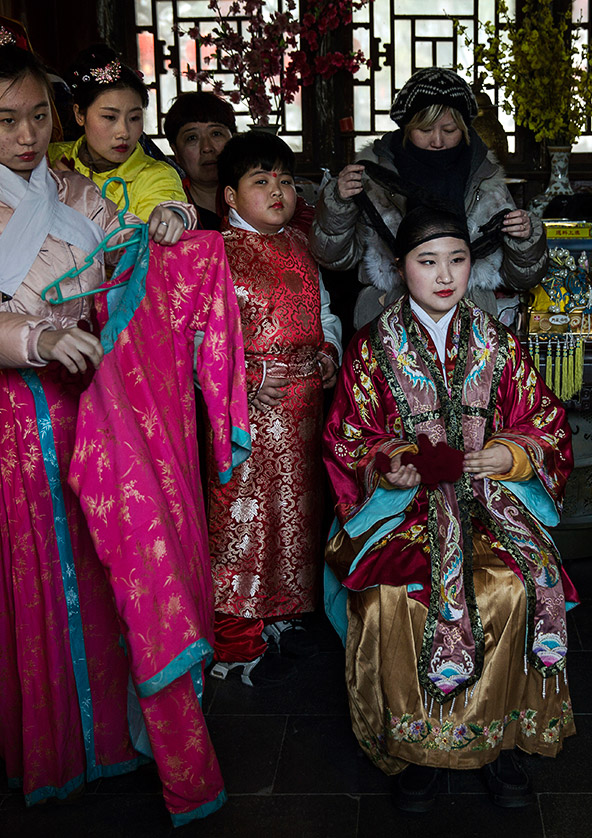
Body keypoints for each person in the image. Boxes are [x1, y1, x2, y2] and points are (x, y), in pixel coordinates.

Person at [0, 21, 220, 825]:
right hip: (28, 417)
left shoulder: (77, 190)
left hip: (108, 406)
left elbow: (127, 260)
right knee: (58, 573)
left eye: (40, 117)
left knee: (117, 566)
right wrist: (37, 336)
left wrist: (169, 231)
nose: (27, 135)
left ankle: (125, 736)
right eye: (7, 119)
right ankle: (68, 745)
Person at [322, 207, 575, 812]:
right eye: (427, 261)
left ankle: (505, 738)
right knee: (394, 595)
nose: (444, 276)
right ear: (398, 267)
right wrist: (391, 463)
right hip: (404, 510)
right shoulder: (372, 347)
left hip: (492, 504)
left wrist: (510, 455)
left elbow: (544, 421)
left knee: (513, 586)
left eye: (457, 260)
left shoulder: (498, 341)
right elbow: (347, 435)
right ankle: (415, 749)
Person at [206, 131, 342, 681]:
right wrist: (249, 376)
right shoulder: (216, 254)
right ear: (232, 198)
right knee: (245, 517)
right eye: (260, 181)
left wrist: (329, 348)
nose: (277, 191)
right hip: (251, 412)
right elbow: (202, 337)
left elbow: (324, 311)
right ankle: (236, 633)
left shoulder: (302, 245)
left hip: (306, 406)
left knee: (299, 514)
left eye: (284, 180)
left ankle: (283, 614)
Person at [310, 67, 546, 330]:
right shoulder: (373, 175)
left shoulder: (484, 177)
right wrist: (338, 203)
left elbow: (522, 278)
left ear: (466, 129)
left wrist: (524, 240)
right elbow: (331, 256)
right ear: (407, 127)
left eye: (449, 129)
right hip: (387, 316)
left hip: (471, 324)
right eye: (425, 129)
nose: (437, 141)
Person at [49, 44, 187, 221]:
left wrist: (80, 194)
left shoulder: (158, 177)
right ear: (79, 114)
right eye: (109, 117)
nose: (124, 132)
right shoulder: (50, 157)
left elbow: (144, 244)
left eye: (134, 118)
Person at [164, 90, 236, 230]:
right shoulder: (169, 202)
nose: (207, 148)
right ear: (176, 152)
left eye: (216, 134)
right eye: (192, 138)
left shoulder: (254, 194)